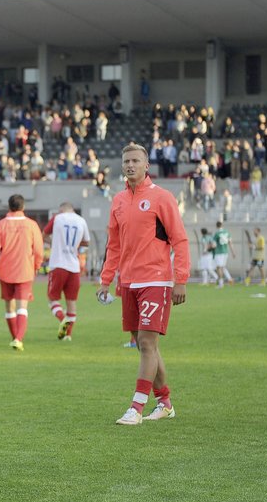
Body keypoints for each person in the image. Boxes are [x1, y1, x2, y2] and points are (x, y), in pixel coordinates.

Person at [97, 142, 190, 425]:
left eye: (136, 161)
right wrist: (106, 280)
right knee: (143, 344)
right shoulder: (118, 201)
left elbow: (180, 239)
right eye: (126, 161)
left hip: (157, 280)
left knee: (148, 342)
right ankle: (165, 403)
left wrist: (181, 279)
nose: (130, 165)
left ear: (146, 165)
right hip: (129, 282)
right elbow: (114, 245)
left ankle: (136, 408)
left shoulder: (162, 197)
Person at [0, 194, 44, 351]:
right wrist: (37, 266)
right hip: (25, 270)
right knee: (22, 307)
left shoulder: (0, 225)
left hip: (5, 271)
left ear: (9, 207)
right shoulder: (31, 225)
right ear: (23, 207)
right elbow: (38, 249)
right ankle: (18, 338)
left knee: (9, 307)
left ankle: (15, 338)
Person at [43, 202, 89, 342]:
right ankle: (68, 335)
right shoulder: (81, 220)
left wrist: (54, 243)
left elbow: (44, 234)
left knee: (52, 298)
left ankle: (63, 320)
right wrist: (74, 246)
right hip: (73, 266)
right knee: (71, 302)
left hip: (58, 264)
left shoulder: (58, 218)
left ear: (62, 209)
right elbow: (86, 242)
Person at [212, 220, 235, 287]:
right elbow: (230, 243)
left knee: (219, 268)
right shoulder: (227, 232)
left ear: (216, 226)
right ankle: (230, 279)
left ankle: (221, 284)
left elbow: (214, 245)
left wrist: (210, 247)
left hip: (219, 252)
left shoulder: (217, 234)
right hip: (225, 252)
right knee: (223, 267)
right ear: (222, 225)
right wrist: (233, 252)